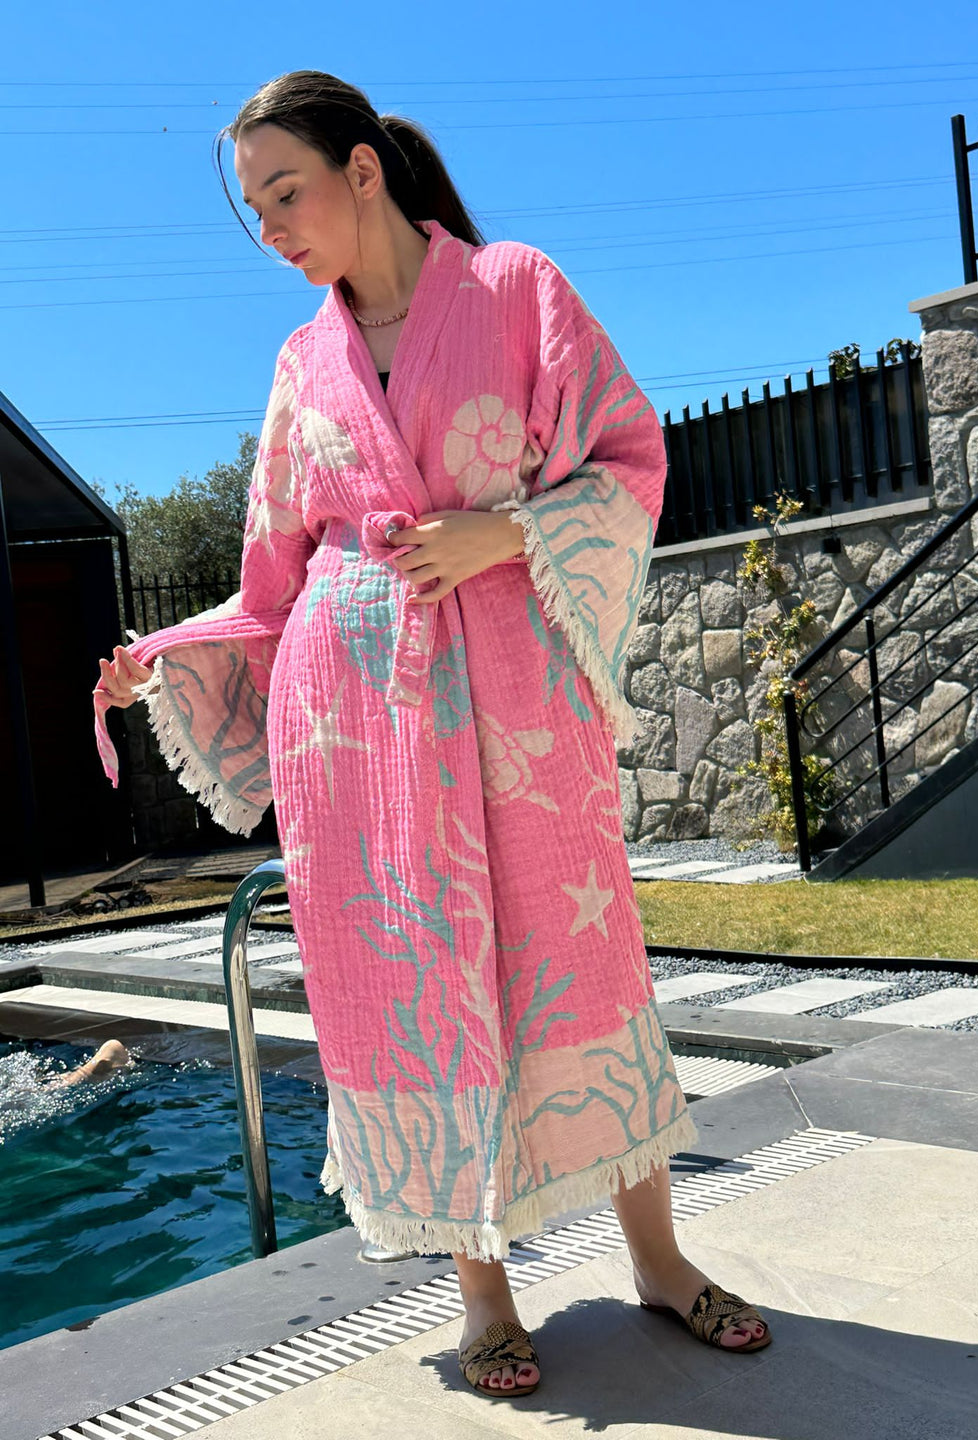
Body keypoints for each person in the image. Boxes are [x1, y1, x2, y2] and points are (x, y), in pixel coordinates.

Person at [94, 70, 771, 1400]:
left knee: (578, 961)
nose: (273, 227)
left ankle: (659, 1261)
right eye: (254, 210)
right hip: (357, 729)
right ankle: (482, 1296)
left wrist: (505, 533)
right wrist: (162, 663)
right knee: (402, 991)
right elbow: (274, 580)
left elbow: (628, 461)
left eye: (286, 192)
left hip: (518, 701)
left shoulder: (519, 289)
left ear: (364, 170)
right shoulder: (303, 365)